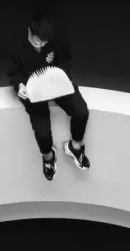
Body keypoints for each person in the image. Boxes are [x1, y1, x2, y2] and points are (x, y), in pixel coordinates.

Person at [6, 12, 91, 181]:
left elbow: (65, 61)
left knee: (82, 112)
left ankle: (75, 147)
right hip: (33, 92)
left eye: (44, 42)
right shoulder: (17, 47)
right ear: (29, 32)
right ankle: (48, 158)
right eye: (37, 40)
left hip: (56, 85)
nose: (40, 44)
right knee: (43, 133)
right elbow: (14, 73)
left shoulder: (56, 41)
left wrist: (62, 79)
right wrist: (20, 86)